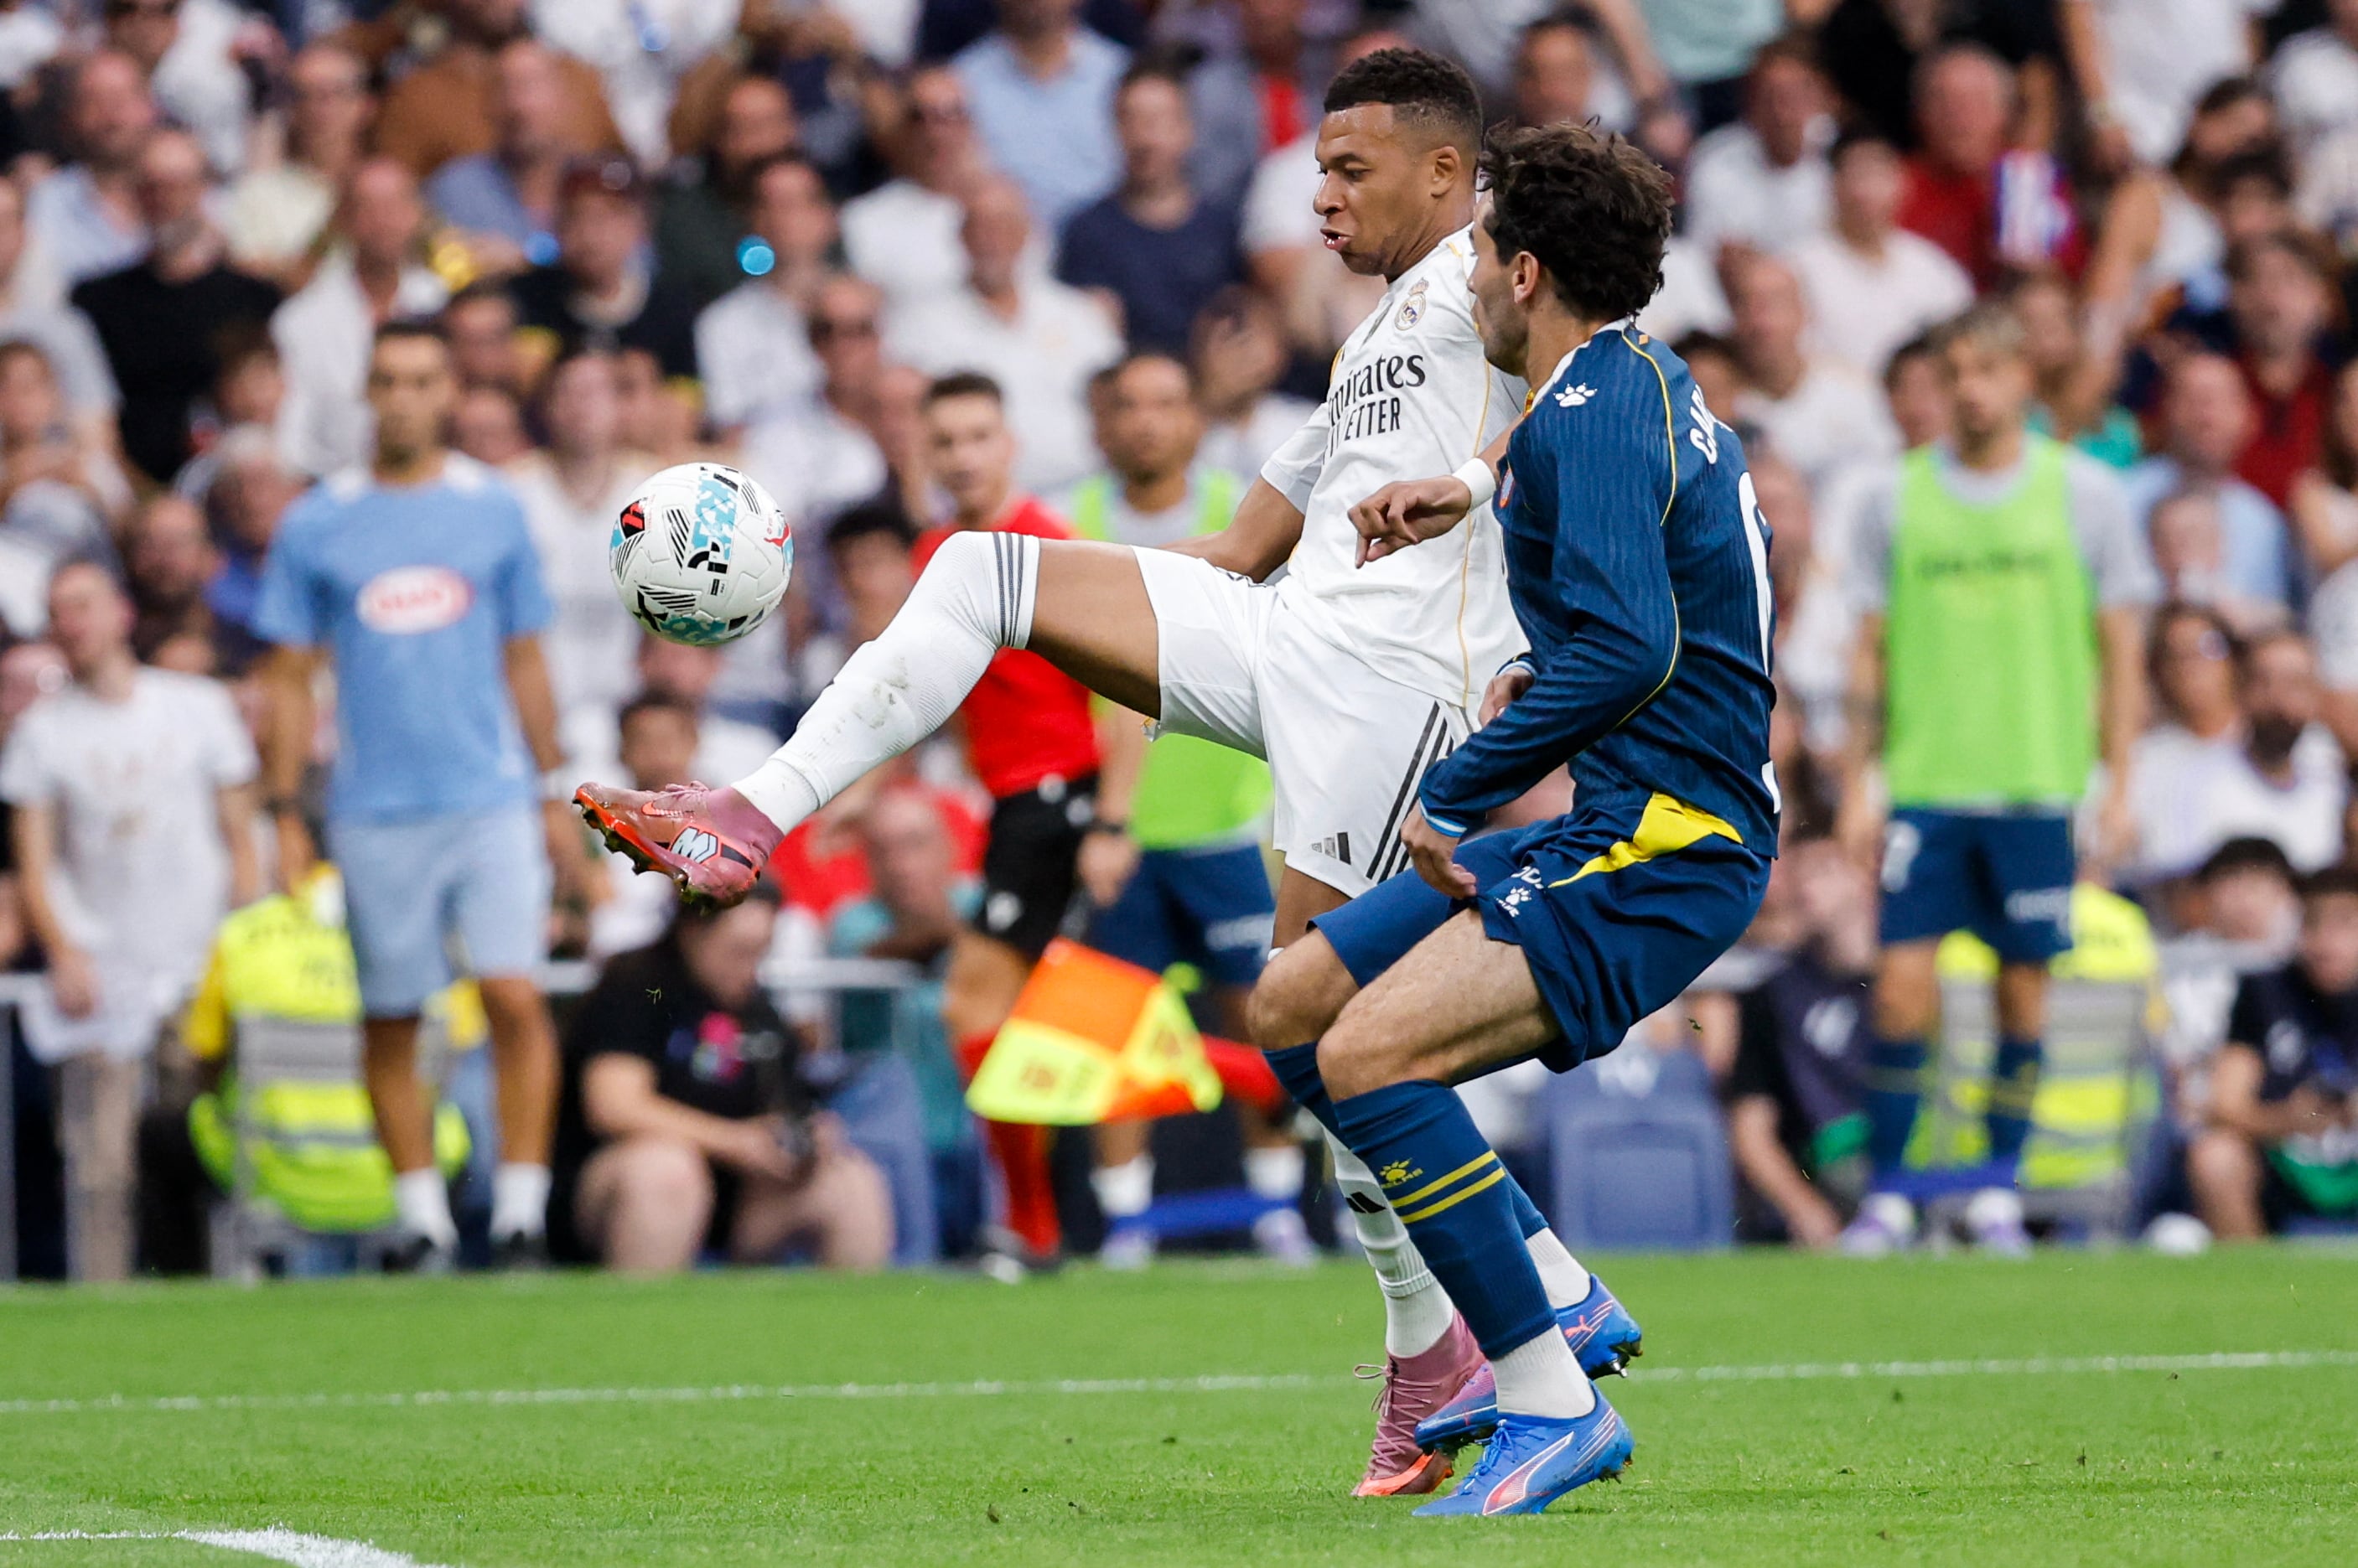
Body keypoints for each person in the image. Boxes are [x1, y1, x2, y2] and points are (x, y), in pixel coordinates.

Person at [573, 48, 1619, 1501]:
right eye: (1313, 167)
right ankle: (745, 817)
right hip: (1287, 642)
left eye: (1351, 170)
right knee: (983, 566)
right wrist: (1095, 610)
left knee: (1320, 1036)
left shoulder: (1494, 270)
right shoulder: (1373, 334)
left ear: (1449, 175)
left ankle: (1476, 1331)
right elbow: (1237, 550)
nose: (1316, 196)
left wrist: (1479, 475)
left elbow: (1597, 380)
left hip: (1392, 702)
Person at [1255, 118, 1778, 1515]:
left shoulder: (1589, 420)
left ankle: (1549, 1399)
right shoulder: (1611, 392)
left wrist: (1451, 787)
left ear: (1526, 272)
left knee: (1369, 1055)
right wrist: (1474, 492)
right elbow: (1587, 497)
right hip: (1617, 820)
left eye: (1479, 253)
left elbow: (1624, 651)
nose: (1468, 280)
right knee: (1292, 1004)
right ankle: (1552, 1285)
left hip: (1667, 843)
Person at [1836, 304, 2156, 1257]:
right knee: (1898, 990)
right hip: (1927, 785)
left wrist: (2119, 782)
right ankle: (1890, 1193)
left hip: (2035, 786)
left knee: (2023, 996)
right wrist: (1858, 778)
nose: (1970, 389)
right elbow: (1867, 651)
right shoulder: (1892, 498)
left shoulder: (2085, 494)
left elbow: (2122, 650)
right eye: (1955, 370)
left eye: (1987, 370)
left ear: (2022, 379)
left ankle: (1990, 1187)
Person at [253, 320, 571, 1270]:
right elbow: (286, 672)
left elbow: (525, 654)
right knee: (392, 1012)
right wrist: (281, 805)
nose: (402, 397)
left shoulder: (494, 508)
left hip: (489, 793)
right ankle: (422, 1218)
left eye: (422, 379)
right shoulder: (319, 520)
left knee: (513, 994)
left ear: (448, 392)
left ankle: (519, 1211)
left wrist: (553, 786)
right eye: (386, 378)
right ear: (367, 392)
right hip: (374, 805)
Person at [1056, 350, 1299, 1266]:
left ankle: (1276, 1208)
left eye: (1166, 401)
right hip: (1112, 832)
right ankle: (1124, 1221)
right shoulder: (1072, 521)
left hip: (1225, 819)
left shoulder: (1242, 517)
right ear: (1101, 421)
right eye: (1127, 404)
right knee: (1115, 1029)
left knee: (1258, 1017)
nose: (1146, 421)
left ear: (1193, 418)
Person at [3, 561, 259, 1280]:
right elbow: (36, 860)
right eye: (58, 611)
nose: (71, 623)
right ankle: (103, 1293)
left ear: (120, 611)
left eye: (82, 605)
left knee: (207, 1143)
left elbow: (240, 834)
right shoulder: (42, 734)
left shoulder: (196, 706)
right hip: (105, 965)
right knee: (97, 1159)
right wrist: (64, 951)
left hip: (197, 959)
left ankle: (222, 1284)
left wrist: (239, 941)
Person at [552, 886, 894, 1274]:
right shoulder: (639, 985)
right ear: (693, 930)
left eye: (761, 951)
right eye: (738, 949)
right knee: (668, 1172)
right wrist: (734, 1142)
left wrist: (805, 1137)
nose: (750, 967)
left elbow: (785, 1107)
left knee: (853, 1184)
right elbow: (614, 1106)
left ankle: (852, 1330)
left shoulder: (758, 1011)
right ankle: (640, 1325)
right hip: (617, 1186)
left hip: (736, 1198)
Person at [883, 174, 1122, 493]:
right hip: (975, 502)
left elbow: (1115, 399)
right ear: (961, 237)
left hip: (1084, 491)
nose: (991, 240)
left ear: (1026, 234)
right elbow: (908, 424)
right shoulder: (919, 325)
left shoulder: (1078, 314)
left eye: (1003, 226)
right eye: (980, 227)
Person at [71, 127, 281, 485]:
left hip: (231, 478)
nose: (164, 200)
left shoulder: (256, 298)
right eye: (151, 186)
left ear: (203, 189)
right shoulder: (96, 302)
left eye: (177, 185)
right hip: (128, 485)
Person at [2190, 866, 2358, 1241]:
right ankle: (2250, 1284)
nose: (2325, 940)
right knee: (2216, 1157)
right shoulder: (2266, 993)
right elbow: (2224, 1103)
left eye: (2345, 923)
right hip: (2289, 1166)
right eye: (2313, 923)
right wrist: (2286, 1120)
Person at [1728, 835, 1877, 1248]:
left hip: (1917, 1168)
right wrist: (1805, 1210)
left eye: (1825, 871)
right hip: (1832, 1174)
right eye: (1799, 876)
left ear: (1865, 877)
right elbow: (1750, 1128)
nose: (1807, 888)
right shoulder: (1772, 996)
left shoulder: (1910, 986)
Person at [272, 158, 451, 479]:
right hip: (334, 486)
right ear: (344, 220)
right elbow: (292, 435)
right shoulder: (299, 321)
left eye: (396, 206)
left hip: (430, 485)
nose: (385, 222)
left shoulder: (442, 303)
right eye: (369, 209)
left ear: (418, 216)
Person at [1055, 60, 1245, 354]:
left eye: (1158, 121)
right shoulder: (1086, 233)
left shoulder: (1224, 229)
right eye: (1130, 120)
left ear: (1188, 129)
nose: (1144, 138)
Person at [1781, 128, 1975, 380]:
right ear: (1832, 185)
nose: (1866, 192)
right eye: (1856, 175)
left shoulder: (1934, 269)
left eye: (1878, 175)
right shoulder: (1796, 268)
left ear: (1902, 183)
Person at [507, 155, 702, 391]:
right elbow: (524, 386)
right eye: (576, 216)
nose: (589, 234)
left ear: (639, 226)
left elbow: (684, 413)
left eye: (606, 217)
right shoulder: (530, 297)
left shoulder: (670, 311)